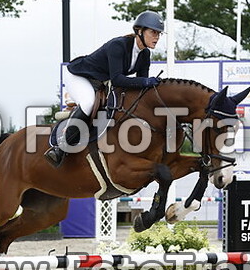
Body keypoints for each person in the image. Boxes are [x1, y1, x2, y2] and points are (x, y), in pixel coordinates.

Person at [45, 10, 165, 167]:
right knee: (89, 103)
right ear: (139, 31)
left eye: (159, 34)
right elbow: (117, 79)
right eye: (153, 32)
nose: (157, 37)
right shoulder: (119, 46)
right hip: (79, 76)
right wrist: (146, 81)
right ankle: (60, 148)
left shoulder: (145, 55)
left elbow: (139, 86)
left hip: (100, 82)